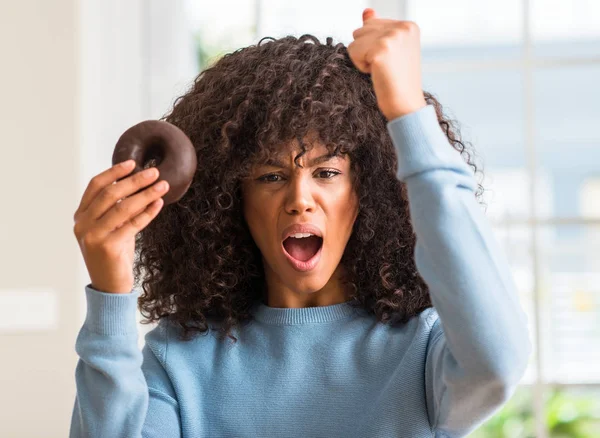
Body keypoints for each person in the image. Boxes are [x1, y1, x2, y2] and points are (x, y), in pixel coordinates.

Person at [69, 8, 531, 438]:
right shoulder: (180, 361)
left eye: (327, 173)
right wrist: (109, 294)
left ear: (368, 190)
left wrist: (407, 112)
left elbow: (498, 363)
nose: (299, 200)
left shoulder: (423, 351)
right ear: (233, 200)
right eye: (271, 176)